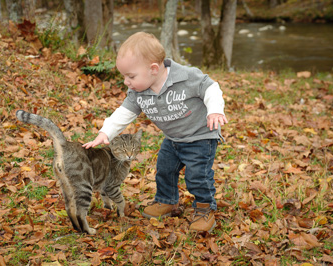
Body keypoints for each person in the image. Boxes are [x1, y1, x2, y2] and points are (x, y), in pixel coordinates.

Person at [83, 32, 228, 233]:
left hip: (200, 137)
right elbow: (125, 111)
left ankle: (205, 208)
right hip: (173, 139)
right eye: (124, 76)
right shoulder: (138, 91)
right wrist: (105, 132)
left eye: (130, 76)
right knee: (164, 169)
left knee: (197, 175)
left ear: (153, 69)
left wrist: (215, 110)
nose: (126, 81)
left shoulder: (186, 77)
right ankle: (166, 200)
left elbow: (211, 88)